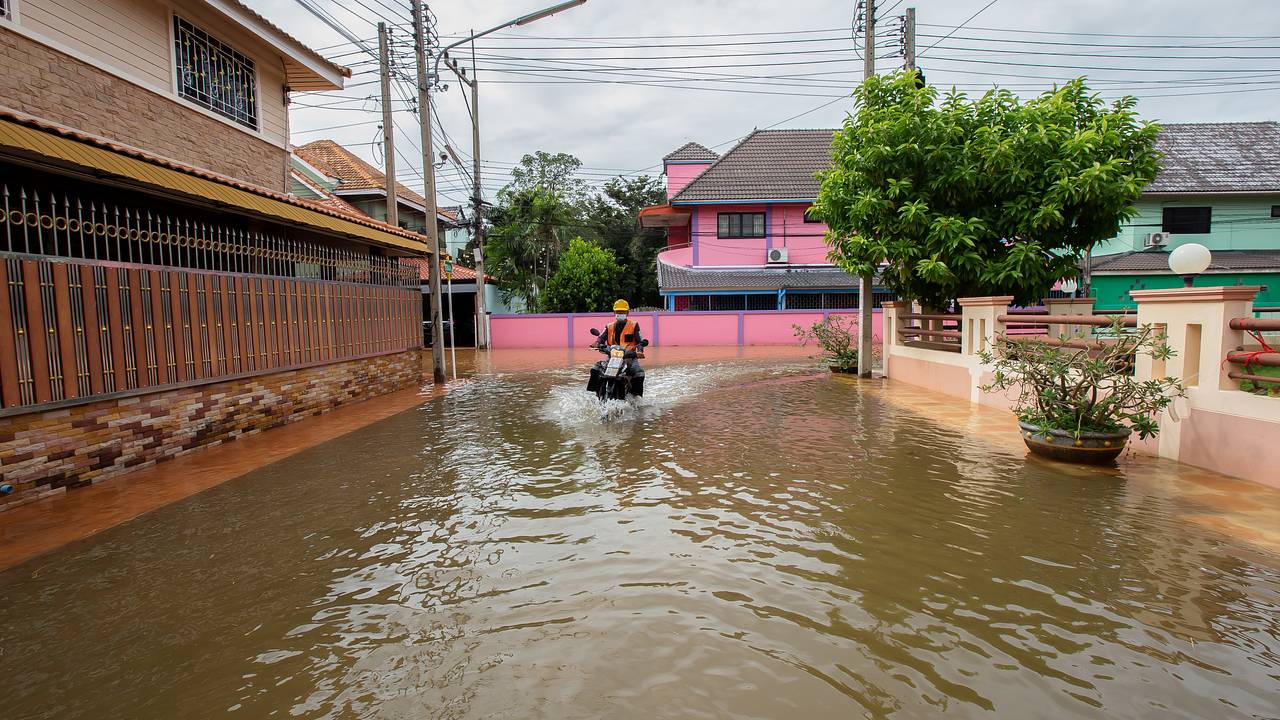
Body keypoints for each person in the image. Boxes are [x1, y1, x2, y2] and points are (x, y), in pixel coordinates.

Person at [589, 299, 645, 396]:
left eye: (622, 312)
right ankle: (594, 392)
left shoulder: (634, 325)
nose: (620, 314)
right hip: (613, 356)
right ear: (614, 312)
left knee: (638, 372)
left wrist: (639, 351)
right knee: (596, 368)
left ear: (627, 313)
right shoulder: (609, 326)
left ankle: (636, 398)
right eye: (618, 312)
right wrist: (597, 344)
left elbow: (640, 341)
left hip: (629, 356)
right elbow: (601, 338)